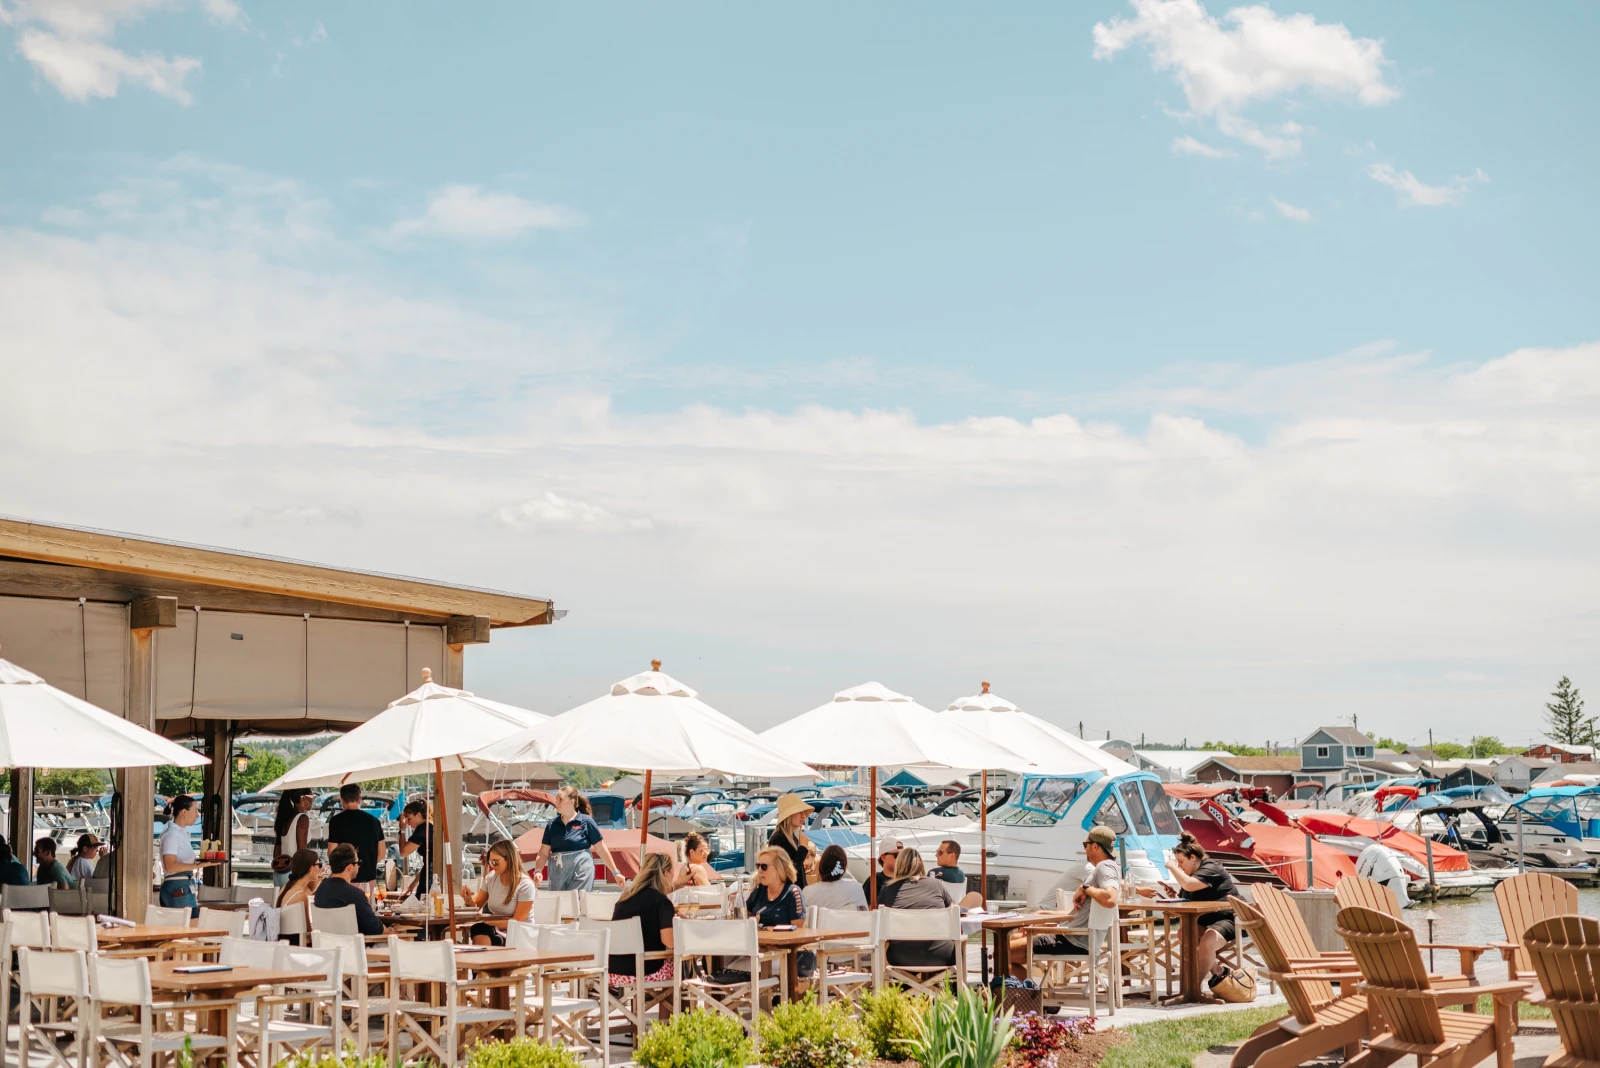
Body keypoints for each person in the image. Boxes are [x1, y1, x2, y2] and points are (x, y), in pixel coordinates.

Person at [1139, 831, 1238, 994]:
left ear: (1193, 857)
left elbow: (1190, 885)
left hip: (1229, 918)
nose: (1179, 866)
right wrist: (1174, 897)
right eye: (1177, 862)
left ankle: (1192, 989)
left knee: (1207, 941)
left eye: (1181, 861)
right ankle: (1217, 971)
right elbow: (1187, 895)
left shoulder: (1211, 867)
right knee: (1184, 933)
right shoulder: (1191, 875)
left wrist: (1171, 867)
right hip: (1206, 922)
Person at [1016, 825, 1121, 973]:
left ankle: (1026, 987)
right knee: (1012, 942)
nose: (1085, 849)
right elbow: (1083, 914)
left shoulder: (1104, 867)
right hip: (1074, 938)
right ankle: (1028, 985)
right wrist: (1045, 914)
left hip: (1070, 941)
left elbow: (1110, 899)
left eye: (1085, 845)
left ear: (1095, 846)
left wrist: (1085, 888)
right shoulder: (1108, 868)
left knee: (1003, 952)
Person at [533, 785, 626, 892]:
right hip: (558, 872)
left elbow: (600, 848)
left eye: (560, 799)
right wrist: (538, 870)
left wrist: (616, 873)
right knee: (560, 901)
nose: (556, 802)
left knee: (578, 899)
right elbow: (543, 852)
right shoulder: (552, 824)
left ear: (571, 801)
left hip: (582, 868)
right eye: (556, 799)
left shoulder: (586, 821)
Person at [878, 847, 958, 969]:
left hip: (900, 957)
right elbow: (951, 913)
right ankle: (949, 982)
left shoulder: (888, 889)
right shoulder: (937, 885)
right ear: (920, 864)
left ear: (899, 865)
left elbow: (880, 924)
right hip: (941, 955)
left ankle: (902, 982)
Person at [608, 852, 677, 985]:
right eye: (673, 873)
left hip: (613, 971)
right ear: (666, 873)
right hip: (644, 971)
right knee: (681, 966)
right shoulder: (662, 902)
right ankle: (674, 999)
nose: (673, 877)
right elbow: (670, 942)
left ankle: (644, 999)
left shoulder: (625, 898)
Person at [466, 840, 535, 946]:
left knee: (481, 929)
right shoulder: (491, 878)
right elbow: (476, 906)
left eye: (495, 862)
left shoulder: (525, 884)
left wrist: (489, 923)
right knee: (480, 929)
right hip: (498, 931)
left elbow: (517, 921)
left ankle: (482, 955)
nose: (492, 866)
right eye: (490, 862)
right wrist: (468, 899)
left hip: (521, 934)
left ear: (509, 859)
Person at [314, 843, 386, 936]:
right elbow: (373, 928)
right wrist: (393, 930)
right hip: (356, 944)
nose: (359, 866)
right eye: (358, 863)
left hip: (326, 943)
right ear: (350, 867)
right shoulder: (355, 894)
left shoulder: (320, 890)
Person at [327, 783, 384, 890]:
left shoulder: (336, 821)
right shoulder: (374, 821)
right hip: (369, 879)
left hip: (345, 878)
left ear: (341, 800)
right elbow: (382, 852)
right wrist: (366, 863)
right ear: (359, 799)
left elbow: (331, 852)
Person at [159, 794, 208, 915]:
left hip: (185, 887)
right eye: (195, 810)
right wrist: (197, 866)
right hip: (177, 887)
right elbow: (170, 866)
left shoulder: (181, 833)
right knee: (190, 923)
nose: (197, 815)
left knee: (192, 922)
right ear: (184, 812)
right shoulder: (172, 834)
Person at [745, 847, 806, 928]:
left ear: (779, 869)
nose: (759, 870)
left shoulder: (793, 893)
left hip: (782, 936)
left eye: (764, 866)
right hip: (757, 936)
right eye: (758, 866)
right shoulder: (759, 890)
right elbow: (743, 916)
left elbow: (798, 930)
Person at [767, 794, 814, 889]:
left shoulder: (790, 837)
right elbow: (790, 870)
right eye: (800, 812)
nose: (804, 816)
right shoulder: (779, 838)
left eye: (803, 812)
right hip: (788, 894)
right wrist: (803, 847)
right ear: (789, 815)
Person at [275, 848, 322, 942]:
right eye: (319, 865)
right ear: (311, 868)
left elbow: (306, 891)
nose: (320, 868)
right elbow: (308, 933)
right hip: (296, 945)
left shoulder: (286, 887)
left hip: (283, 941)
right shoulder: (301, 896)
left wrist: (314, 885)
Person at [802, 844, 868, 911]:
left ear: (821, 865)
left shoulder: (807, 892)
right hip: (848, 918)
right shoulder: (855, 888)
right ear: (843, 867)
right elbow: (865, 914)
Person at [272, 789, 314, 889]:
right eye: (311, 797)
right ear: (303, 799)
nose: (313, 801)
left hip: (279, 873)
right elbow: (302, 852)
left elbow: (276, 852)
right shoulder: (302, 818)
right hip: (293, 873)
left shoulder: (284, 818)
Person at [398, 799, 433, 898]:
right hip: (429, 873)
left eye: (409, 818)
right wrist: (414, 883)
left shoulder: (423, 829)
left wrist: (402, 830)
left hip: (429, 877)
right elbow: (428, 862)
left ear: (418, 815)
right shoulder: (428, 827)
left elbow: (403, 852)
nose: (407, 822)